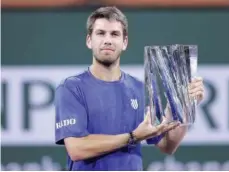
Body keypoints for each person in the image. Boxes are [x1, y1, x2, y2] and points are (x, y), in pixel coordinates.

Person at [54, 6, 204, 171]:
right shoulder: (71, 88)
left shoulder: (139, 88)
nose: (108, 40)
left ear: (125, 42)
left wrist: (185, 106)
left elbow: (167, 145)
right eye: (101, 33)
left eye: (115, 34)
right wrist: (133, 137)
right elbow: (77, 148)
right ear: (89, 40)